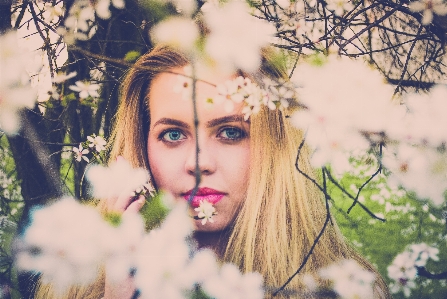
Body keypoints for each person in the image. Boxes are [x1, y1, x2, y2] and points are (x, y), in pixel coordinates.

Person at [34, 45, 391, 299]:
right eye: (172, 134)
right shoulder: (72, 283)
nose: (199, 162)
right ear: (141, 148)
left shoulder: (342, 287)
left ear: (273, 144)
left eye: (231, 132)